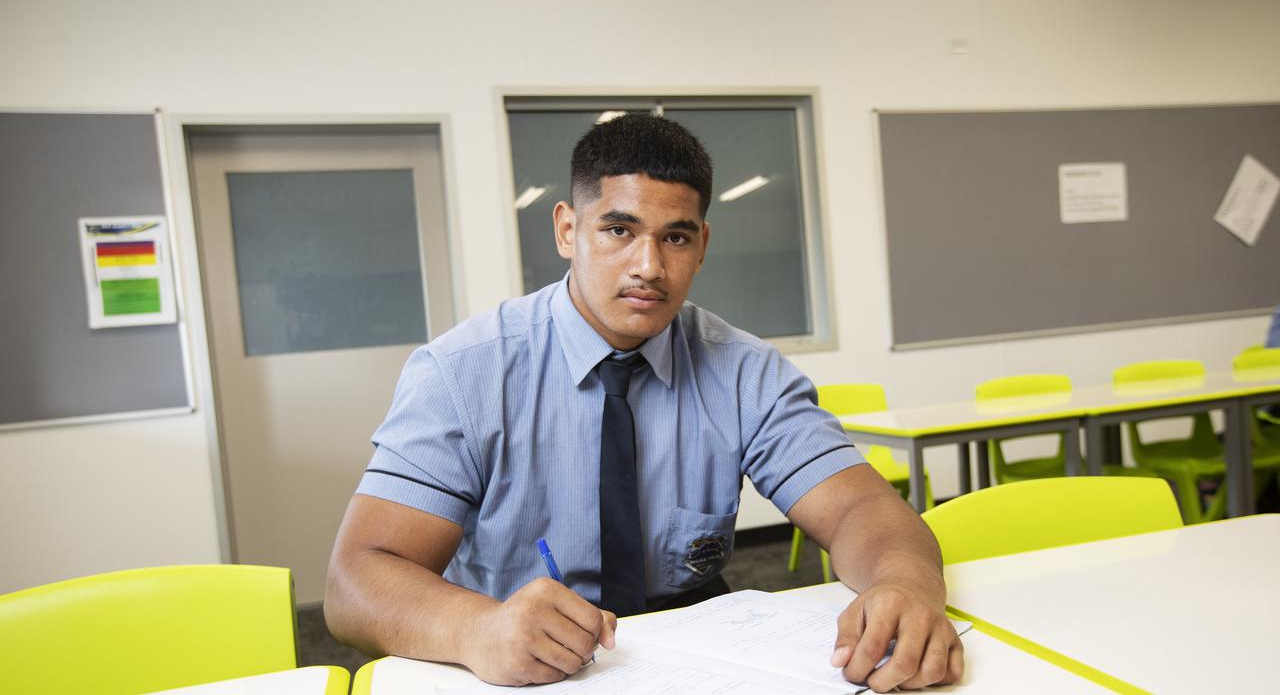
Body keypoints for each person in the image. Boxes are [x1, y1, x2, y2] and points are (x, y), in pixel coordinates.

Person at [324, 114, 963, 692]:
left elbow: (859, 507)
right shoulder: (463, 374)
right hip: (517, 665)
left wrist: (903, 585)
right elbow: (357, 580)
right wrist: (474, 629)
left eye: (676, 239)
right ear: (568, 230)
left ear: (703, 246)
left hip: (699, 658)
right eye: (619, 230)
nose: (649, 266)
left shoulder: (744, 371)